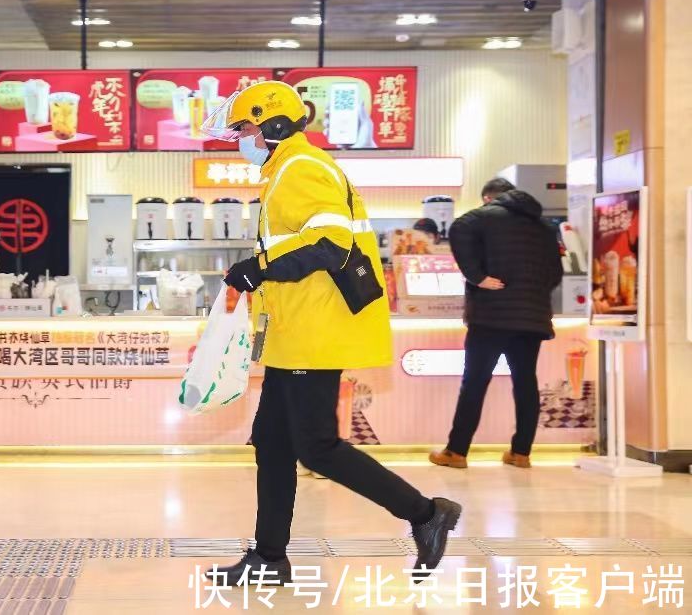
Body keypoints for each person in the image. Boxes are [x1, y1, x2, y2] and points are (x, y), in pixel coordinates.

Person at [200, 81, 461, 586]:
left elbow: (331, 243)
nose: (240, 138)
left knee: (316, 446)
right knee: (272, 443)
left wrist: (257, 267)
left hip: (316, 331)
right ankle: (269, 558)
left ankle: (426, 513)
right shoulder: (284, 172)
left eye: (245, 128)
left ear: (273, 126)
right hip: (296, 331)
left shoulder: (302, 168)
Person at [429, 178, 564, 470]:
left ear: (489, 199)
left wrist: (476, 276)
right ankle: (521, 453)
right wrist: (534, 293)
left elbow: (458, 227)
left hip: (492, 314)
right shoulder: (544, 227)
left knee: (475, 382)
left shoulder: (486, 216)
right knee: (526, 383)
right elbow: (556, 273)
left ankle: (456, 451)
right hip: (532, 316)